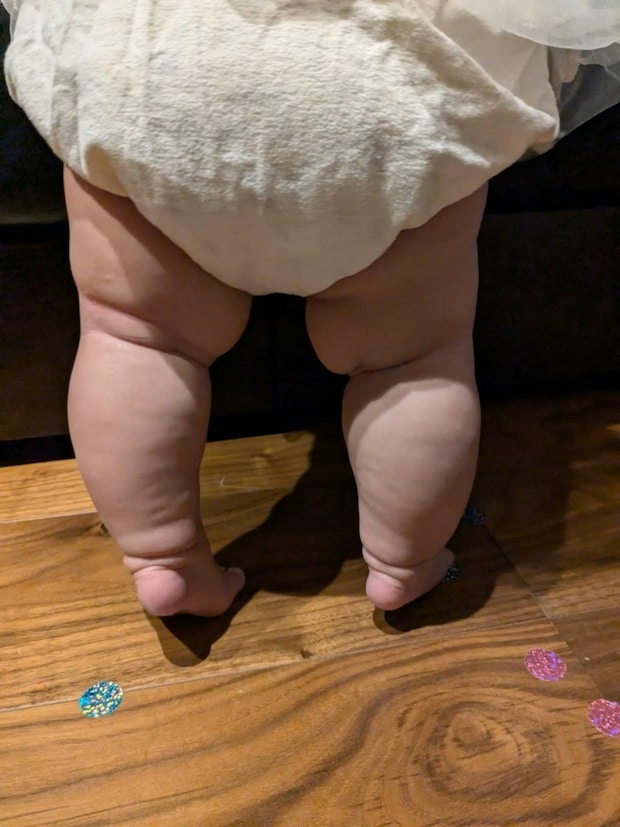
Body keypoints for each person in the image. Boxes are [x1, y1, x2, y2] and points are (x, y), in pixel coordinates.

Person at [3, 1, 619, 616]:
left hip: (152, 69)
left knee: (136, 338)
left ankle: (162, 557)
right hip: (390, 80)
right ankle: (404, 561)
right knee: (412, 361)